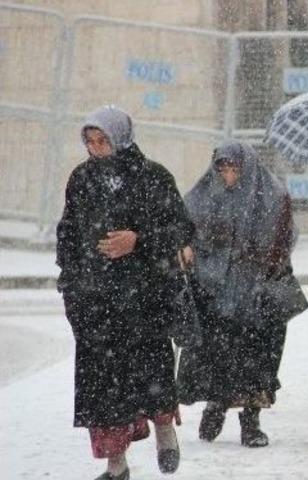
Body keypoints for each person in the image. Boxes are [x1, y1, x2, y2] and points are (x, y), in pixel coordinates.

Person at [56, 105, 194, 480]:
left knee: (151, 374)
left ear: (121, 138)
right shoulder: (81, 180)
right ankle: (116, 466)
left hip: (143, 300)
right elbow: (67, 233)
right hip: (95, 300)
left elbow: (180, 230)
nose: (98, 149)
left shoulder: (152, 177)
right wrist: (71, 280)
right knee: (103, 389)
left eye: (104, 141)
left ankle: (165, 431)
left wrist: (138, 240)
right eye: (91, 141)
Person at [176, 141, 298, 448]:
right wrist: (187, 245)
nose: (229, 178)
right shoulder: (205, 195)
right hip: (215, 289)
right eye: (224, 170)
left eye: (235, 171)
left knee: (256, 357)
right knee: (219, 353)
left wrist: (256, 256)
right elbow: (183, 224)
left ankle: (251, 420)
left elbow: (283, 238)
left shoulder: (272, 196)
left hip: (258, 291)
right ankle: (216, 403)